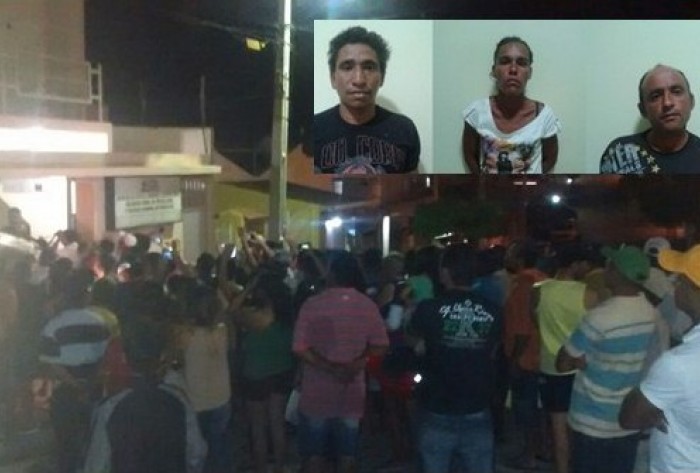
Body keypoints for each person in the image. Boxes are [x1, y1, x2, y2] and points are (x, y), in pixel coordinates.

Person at [556, 245, 658, 473]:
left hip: (592, 420)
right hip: (626, 420)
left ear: (617, 274)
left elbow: (561, 363)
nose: (605, 270)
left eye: (609, 266)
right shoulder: (649, 311)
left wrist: (580, 361)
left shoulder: (599, 317)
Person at [408, 243, 502, 473]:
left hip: (437, 404)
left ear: (445, 272)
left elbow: (413, 341)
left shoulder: (429, 308)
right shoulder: (493, 310)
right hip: (477, 403)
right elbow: (493, 351)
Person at [293, 251, 389, 473]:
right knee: (347, 455)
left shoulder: (312, 304)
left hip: (316, 392)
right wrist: (358, 363)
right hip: (351, 392)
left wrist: (329, 367)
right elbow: (381, 345)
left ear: (332, 274)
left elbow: (299, 347)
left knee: (314, 456)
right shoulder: (366, 305)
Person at [619, 244, 700, 473]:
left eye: (680, 280)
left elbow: (630, 418)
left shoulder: (679, 364)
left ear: (694, 291)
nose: (675, 286)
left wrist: (659, 406)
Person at [314, 26, 421, 174]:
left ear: (382, 77)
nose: (359, 80)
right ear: (333, 78)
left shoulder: (404, 129)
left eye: (369, 67)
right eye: (347, 67)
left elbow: (412, 182)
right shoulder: (314, 129)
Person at [462, 36, 561, 174]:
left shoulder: (544, 116)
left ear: (530, 72)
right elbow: (470, 156)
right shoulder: (476, 112)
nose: (513, 69)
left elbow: (549, 159)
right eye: (505, 62)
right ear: (494, 70)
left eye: (521, 63)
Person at [600, 64, 700, 174]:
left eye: (676, 92)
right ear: (643, 110)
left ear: (691, 101)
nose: (667, 103)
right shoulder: (619, 153)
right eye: (655, 96)